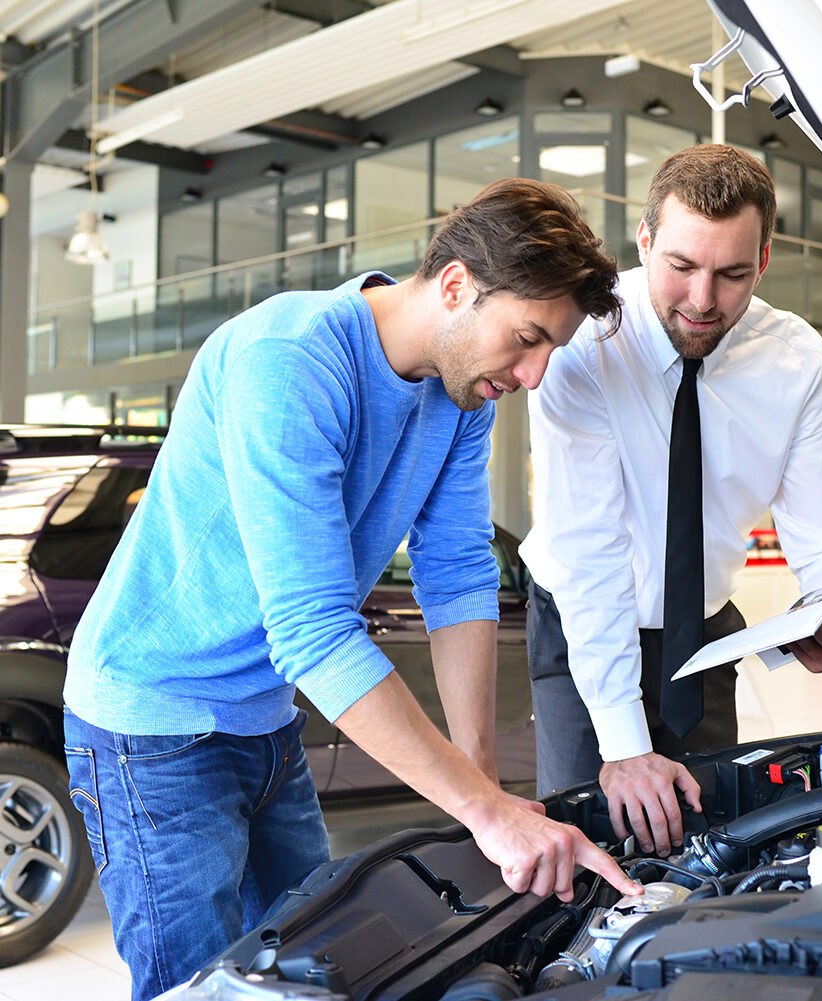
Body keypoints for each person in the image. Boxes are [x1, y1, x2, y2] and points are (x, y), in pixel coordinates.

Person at [63, 177, 640, 1001]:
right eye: (526, 337)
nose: (536, 374)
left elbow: (458, 570)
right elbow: (311, 628)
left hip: (265, 721)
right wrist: (482, 810)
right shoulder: (289, 359)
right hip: (149, 725)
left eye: (549, 348)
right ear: (454, 286)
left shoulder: (463, 387)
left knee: (323, 970)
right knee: (199, 988)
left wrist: (479, 786)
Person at [520, 144, 822, 859]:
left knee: (714, 848)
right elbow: (590, 553)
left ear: (764, 261)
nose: (703, 300)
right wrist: (621, 747)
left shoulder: (800, 363)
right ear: (644, 241)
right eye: (680, 267)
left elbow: (821, 531)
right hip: (580, 624)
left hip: (705, 640)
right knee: (590, 849)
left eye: (731, 273)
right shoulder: (582, 342)